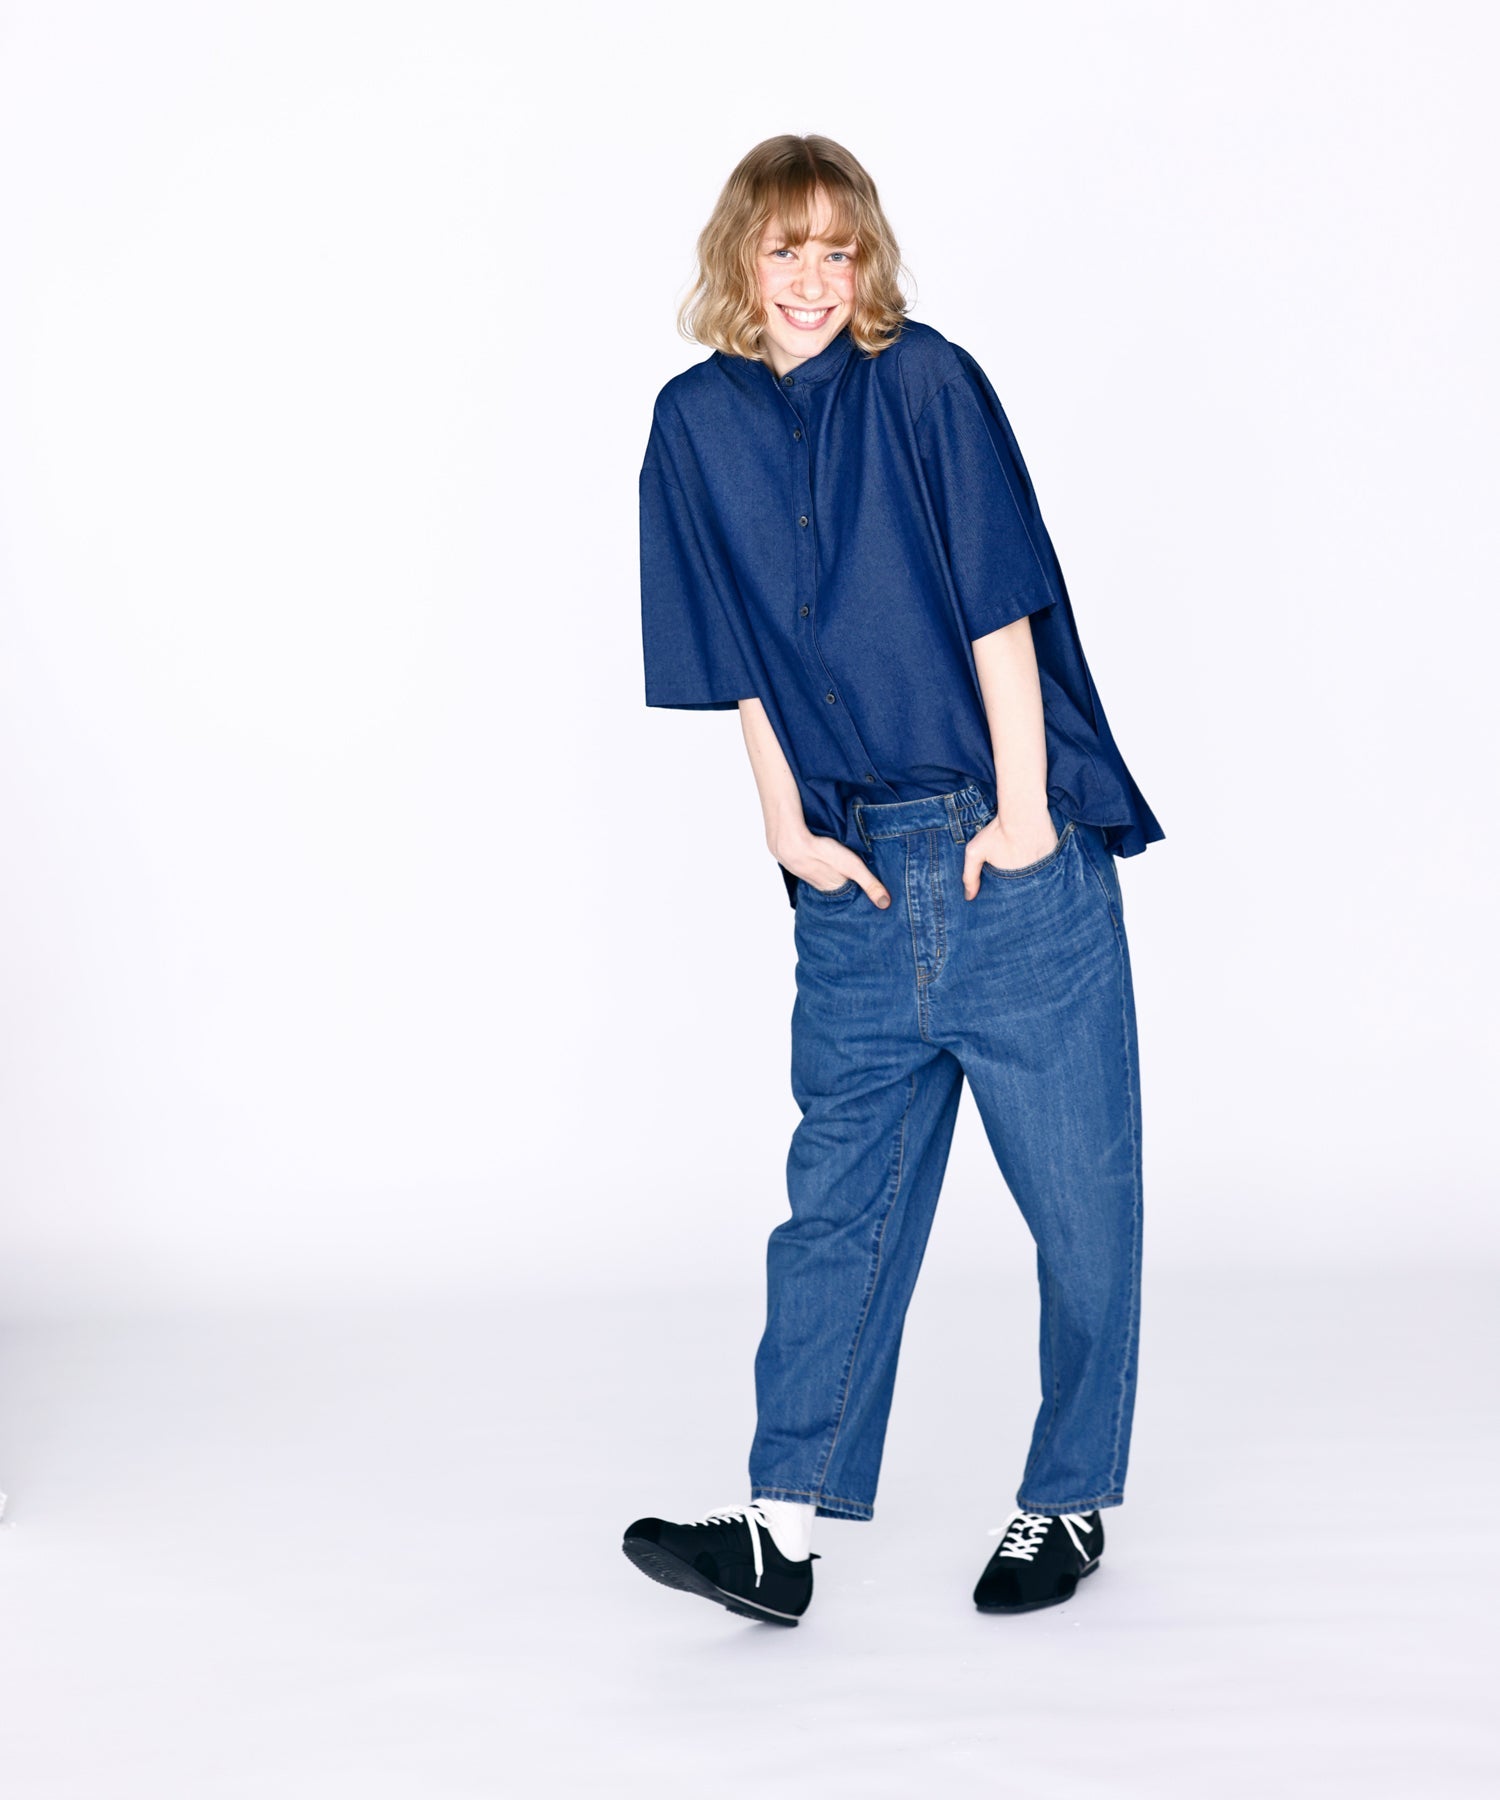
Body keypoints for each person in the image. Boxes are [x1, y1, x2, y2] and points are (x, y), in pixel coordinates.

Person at [621, 134, 1163, 1627]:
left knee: (1081, 1205)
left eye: (837, 249)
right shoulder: (691, 425)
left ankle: (1068, 1498)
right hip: (851, 875)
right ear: (738, 261)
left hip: (1003, 857)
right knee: (836, 1213)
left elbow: (1000, 606)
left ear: (867, 260)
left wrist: (1027, 815)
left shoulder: (926, 384)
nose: (811, 278)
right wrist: (785, 829)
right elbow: (728, 648)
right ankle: (779, 1529)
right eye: (783, 249)